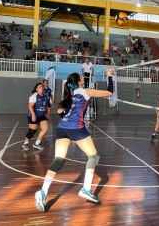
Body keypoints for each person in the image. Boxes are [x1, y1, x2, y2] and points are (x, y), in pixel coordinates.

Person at [34, 69, 114, 212]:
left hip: (62, 128)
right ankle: (86, 189)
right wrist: (109, 75)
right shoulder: (85, 91)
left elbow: (60, 113)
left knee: (58, 160)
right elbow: (109, 93)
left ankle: (42, 192)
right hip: (76, 128)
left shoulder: (69, 95)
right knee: (93, 156)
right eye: (81, 77)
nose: (83, 78)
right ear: (79, 81)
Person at [22, 83, 50, 151]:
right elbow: (30, 106)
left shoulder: (45, 96)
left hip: (42, 116)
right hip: (33, 115)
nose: (42, 87)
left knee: (45, 129)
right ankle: (25, 143)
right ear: (36, 89)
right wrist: (33, 115)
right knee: (32, 131)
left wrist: (47, 114)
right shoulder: (34, 96)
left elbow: (46, 106)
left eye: (42, 86)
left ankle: (37, 143)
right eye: (40, 87)